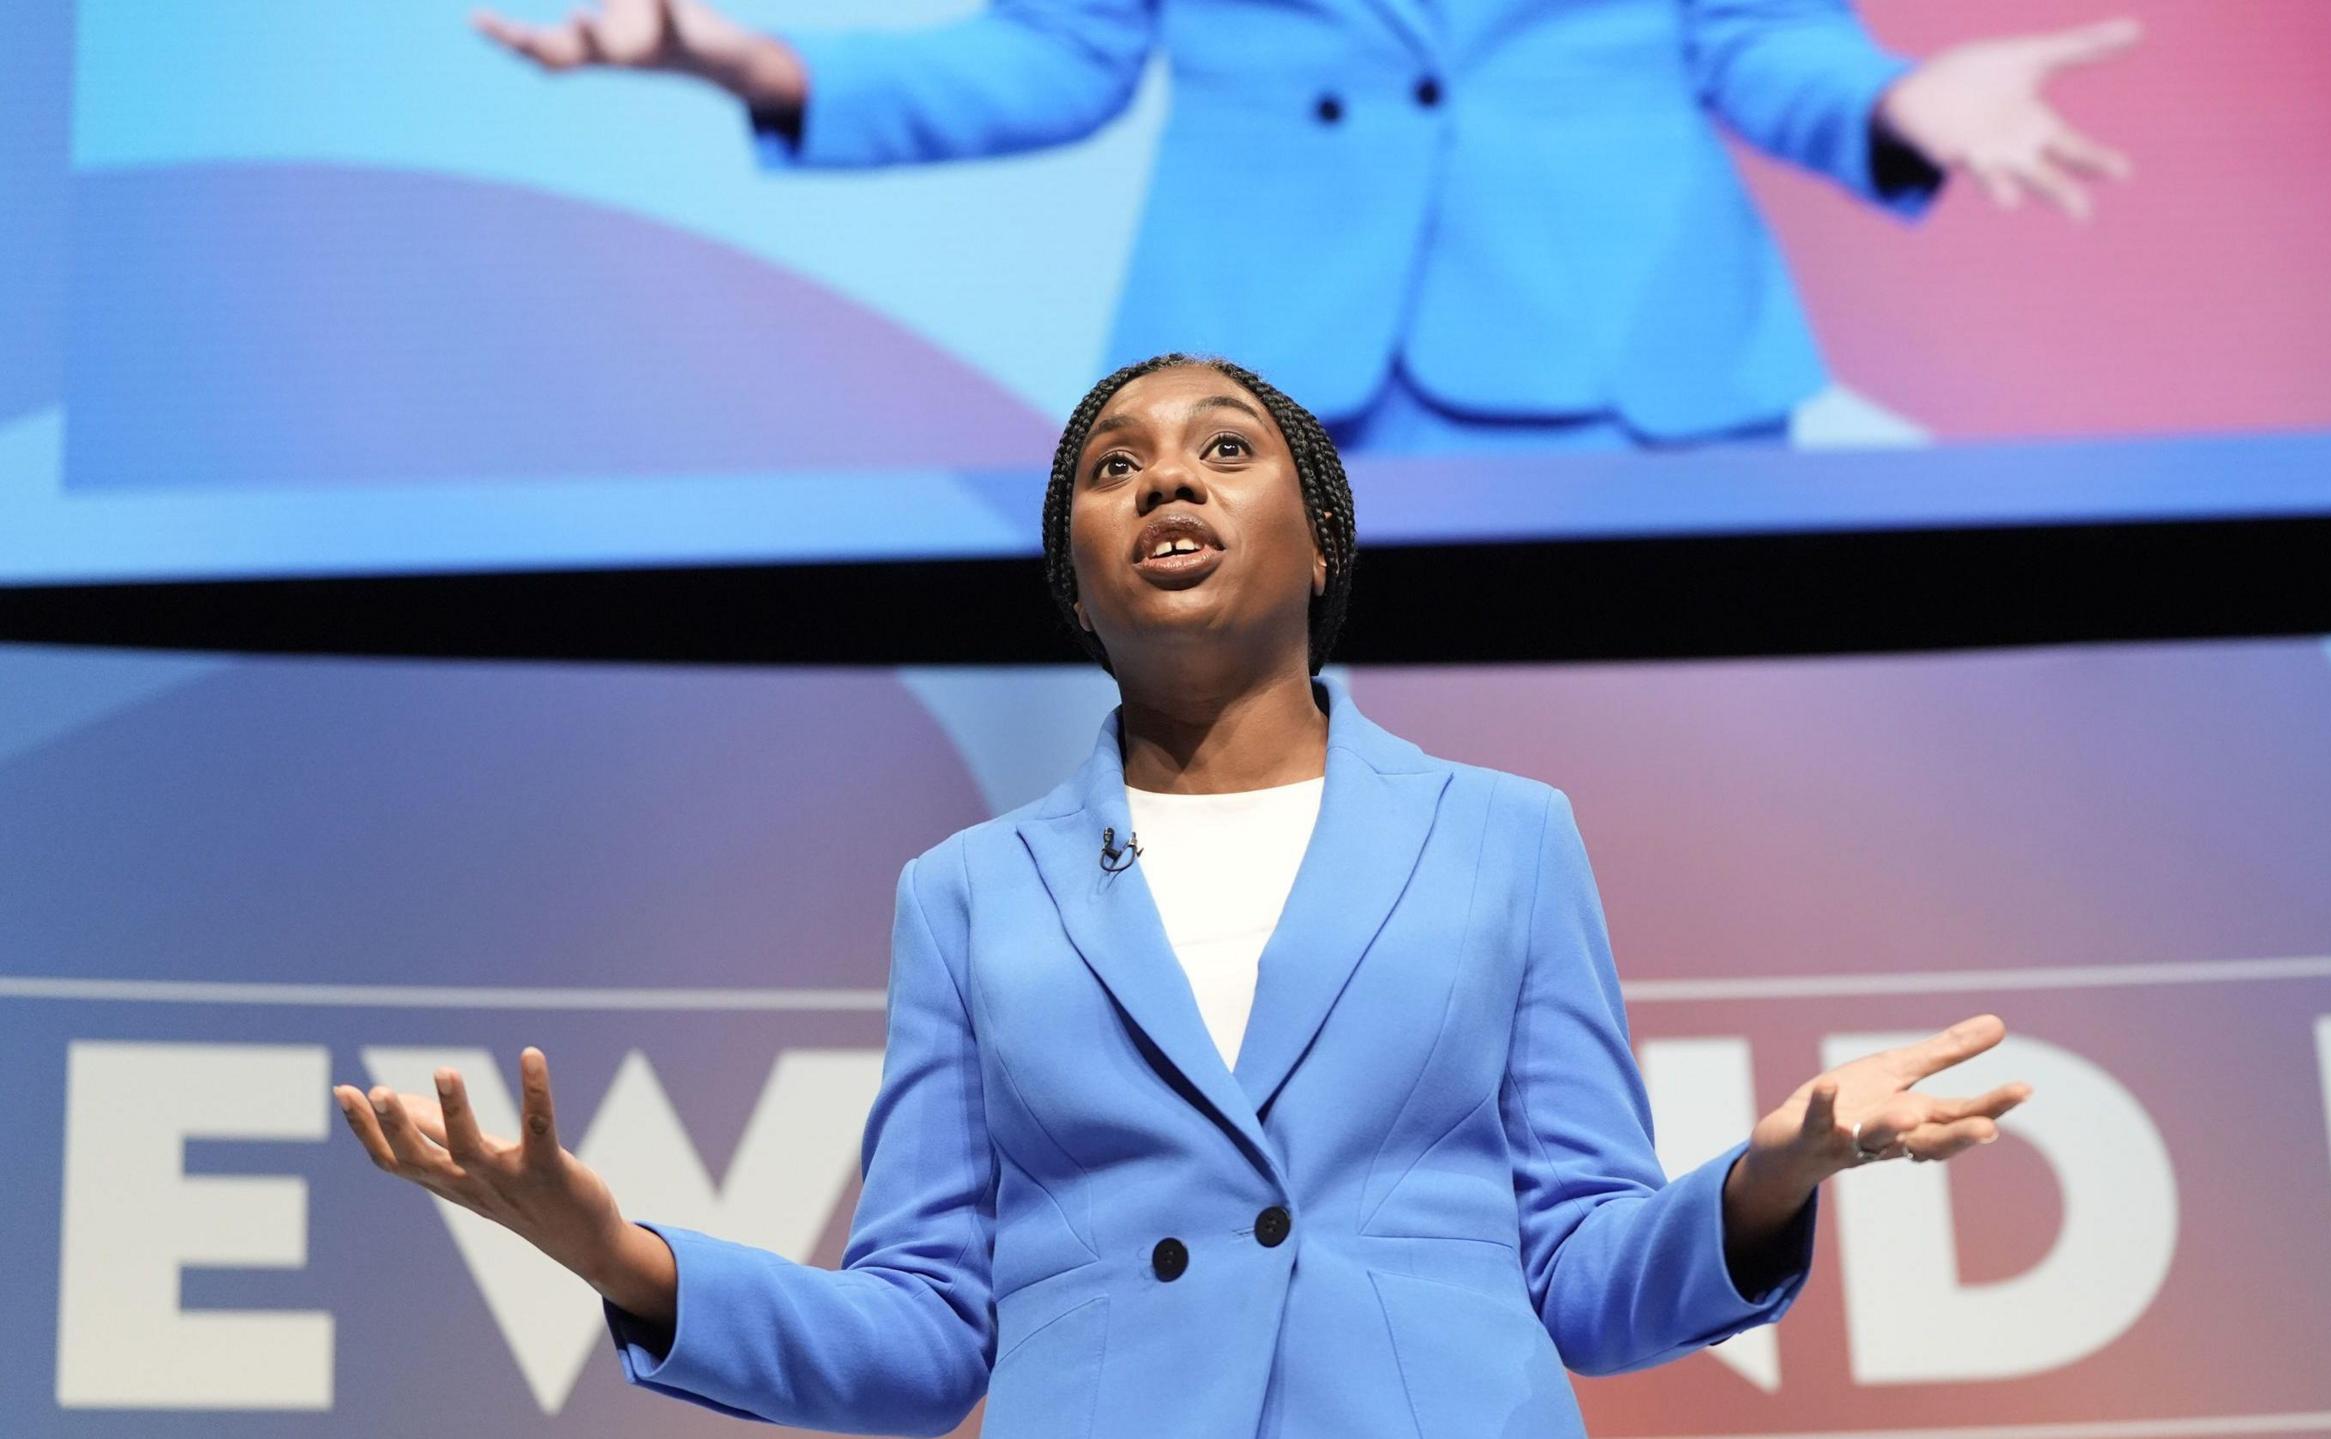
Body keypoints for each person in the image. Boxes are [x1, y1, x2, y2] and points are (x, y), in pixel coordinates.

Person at [334, 353, 2031, 1436]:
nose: (1164, 480)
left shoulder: (1507, 835)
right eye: (1112, 465)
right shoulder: (968, 895)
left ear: (1320, 546)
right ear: (1076, 577)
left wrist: (1767, 1174)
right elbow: (928, 1338)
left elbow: (1584, 1282)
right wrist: (627, 1261)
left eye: (1225, 449)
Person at [467, 1, 2137, 454]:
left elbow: (1752, 36)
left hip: (1637, 377)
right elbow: (1059, 54)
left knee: (1688, 827)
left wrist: (1891, 100)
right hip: (1279, 403)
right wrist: (767, 68)